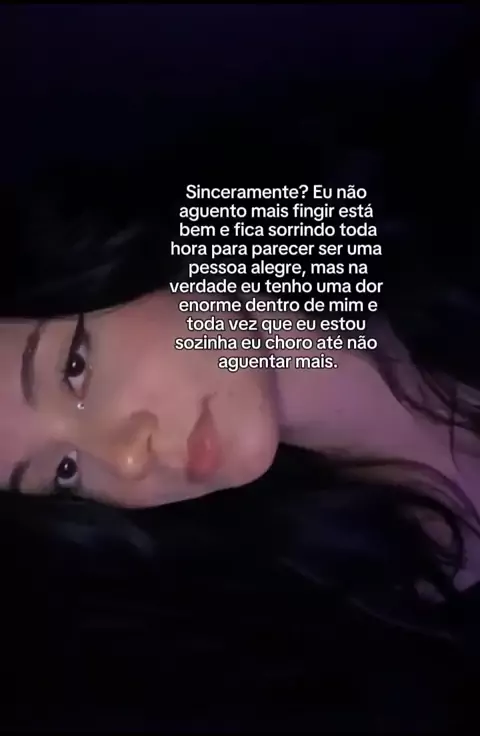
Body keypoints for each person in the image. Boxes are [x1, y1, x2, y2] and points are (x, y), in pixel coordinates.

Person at [3, 77, 479, 729]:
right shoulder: (333, 638)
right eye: (64, 472)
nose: (126, 458)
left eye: (74, 368)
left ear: (112, 251)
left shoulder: (446, 179)